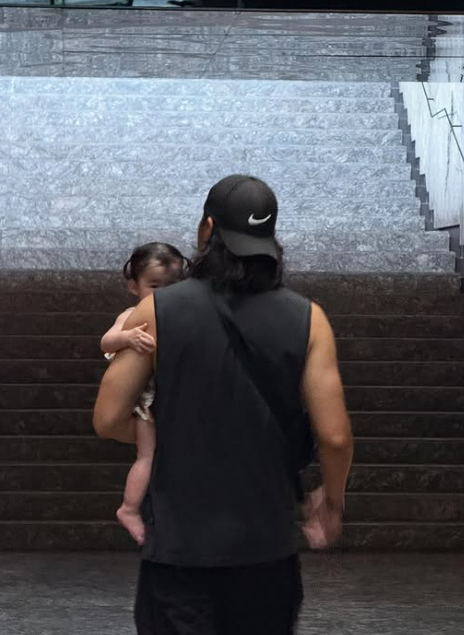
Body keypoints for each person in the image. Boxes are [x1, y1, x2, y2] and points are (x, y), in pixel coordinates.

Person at [94, 175, 353, 635]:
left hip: (179, 553)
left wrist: (170, 434)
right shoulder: (310, 319)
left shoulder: (157, 311)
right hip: (267, 553)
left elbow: (108, 417)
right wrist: (331, 501)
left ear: (207, 229)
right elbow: (334, 436)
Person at [100, 242, 188, 545]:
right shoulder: (131, 314)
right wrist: (128, 336)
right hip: (146, 402)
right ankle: (129, 508)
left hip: (171, 396)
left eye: (172, 286)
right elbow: (106, 341)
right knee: (147, 455)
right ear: (133, 286)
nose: (163, 294)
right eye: (154, 286)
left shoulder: (183, 315)